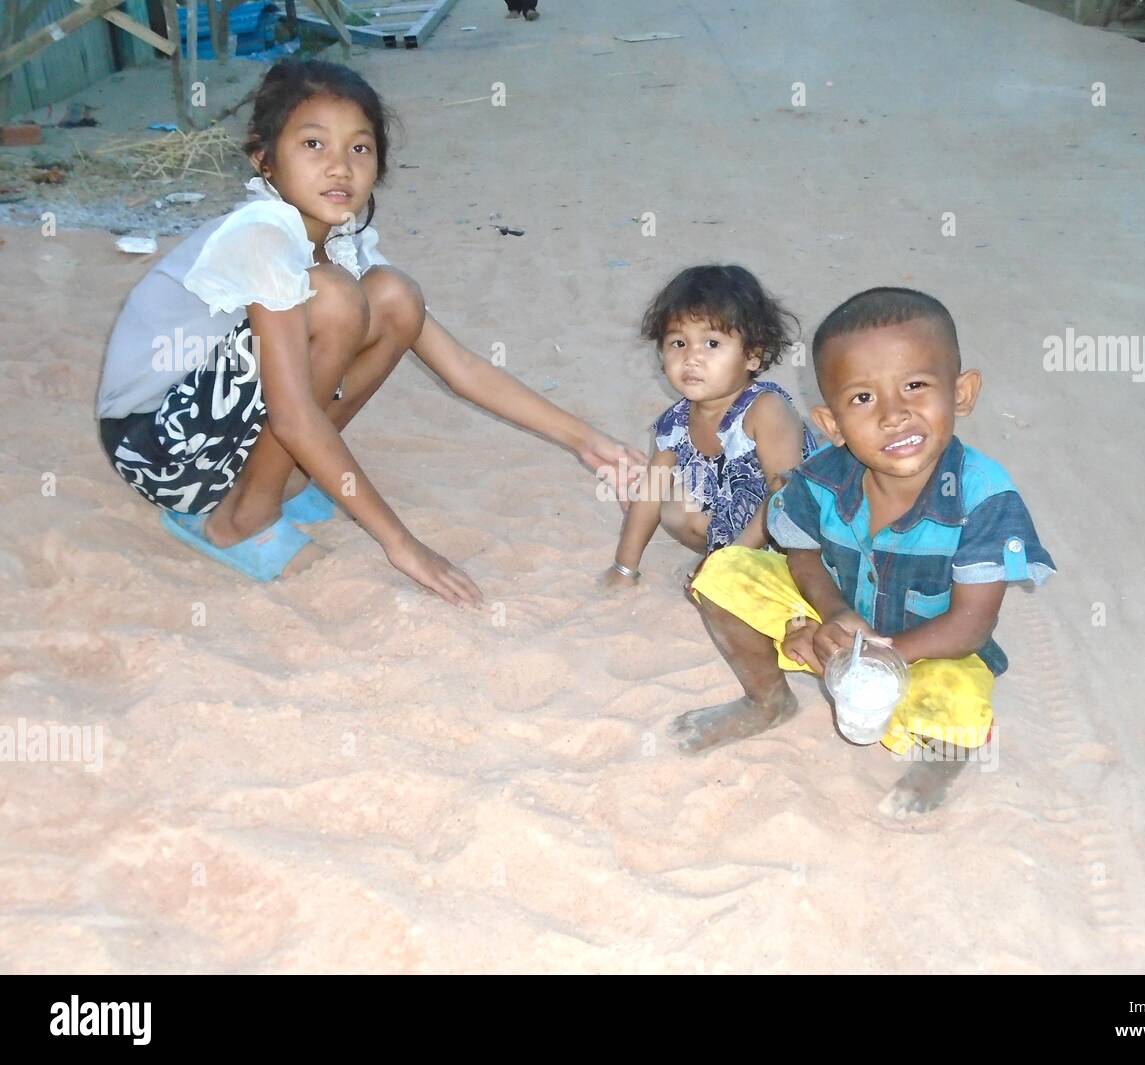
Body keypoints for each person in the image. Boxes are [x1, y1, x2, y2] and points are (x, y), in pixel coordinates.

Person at [96, 60, 642, 604]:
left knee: (394, 297)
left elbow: (461, 368)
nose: (339, 167)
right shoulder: (261, 236)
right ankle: (241, 518)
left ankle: (281, 478)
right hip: (158, 447)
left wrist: (589, 441)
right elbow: (290, 412)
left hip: (210, 427)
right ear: (264, 159)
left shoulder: (341, 240)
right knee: (333, 299)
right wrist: (401, 544)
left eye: (359, 148)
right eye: (313, 145)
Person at [673, 287, 1056, 816]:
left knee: (962, 701)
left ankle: (941, 764)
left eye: (916, 386)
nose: (894, 415)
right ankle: (766, 702)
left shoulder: (983, 499)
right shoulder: (823, 477)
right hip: (837, 615)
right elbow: (802, 553)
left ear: (962, 393)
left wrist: (878, 655)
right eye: (862, 398)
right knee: (722, 575)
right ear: (831, 425)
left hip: (925, 646)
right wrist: (829, 616)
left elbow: (971, 624)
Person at [603, 265, 815, 588]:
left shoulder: (765, 410)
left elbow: (786, 497)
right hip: (734, 518)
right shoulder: (675, 421)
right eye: (678, 343)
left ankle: (737, 564)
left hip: (793, 531)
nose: (692, 358)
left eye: (712, 344)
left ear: (753, 357)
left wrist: (725, 566)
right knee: (670, 502)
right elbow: (649, 495)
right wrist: (623, 569)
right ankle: (725, 557)